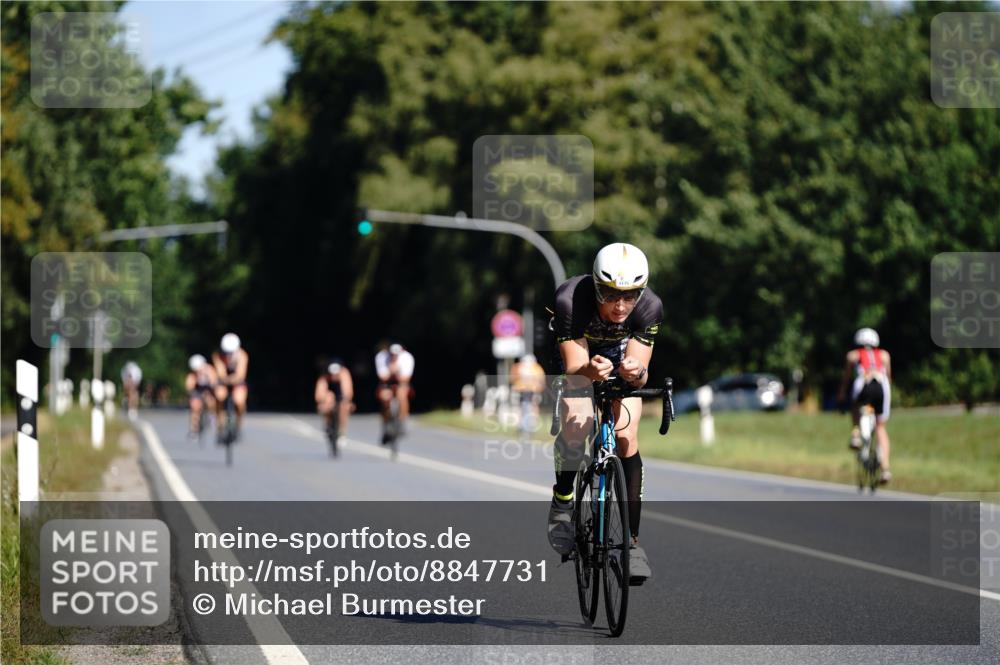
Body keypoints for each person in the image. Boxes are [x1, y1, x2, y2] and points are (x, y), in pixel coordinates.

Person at [547, 242, 663, 585]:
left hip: (617, 358)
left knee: (626, 436)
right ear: (596, 286)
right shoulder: (570, 299)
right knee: (577, 422)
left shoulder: (650, 307)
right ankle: (563, 500)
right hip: (579, 358)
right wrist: (590, 372)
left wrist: (633, 373)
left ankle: (631, 544)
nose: (621, 305)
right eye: (611, 294)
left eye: (630, 296)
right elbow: (573, 368)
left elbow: (642, 373)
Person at [838, 327, 893, 483]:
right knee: (881, 427)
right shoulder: (884, 355)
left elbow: (847, 379)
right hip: (882, 387)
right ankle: (885, 469)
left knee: (856, 406)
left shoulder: (853, 356)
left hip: (864, 385)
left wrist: (842, 393)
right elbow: (888, 378)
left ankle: (855, 434)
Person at [212, 333, 249, 443]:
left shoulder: (242, 355)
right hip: (223, 381)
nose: (227, 355)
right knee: (219, 396)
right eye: (225, 352)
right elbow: (220, 373)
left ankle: (238, 426)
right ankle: (220, 425)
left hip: (237, 382)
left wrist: (232, 379)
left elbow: (241, 375)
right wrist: (225, 380)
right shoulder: (217, 355)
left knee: (239, 401)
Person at [375, 343, 415, 440]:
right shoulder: (381, 357)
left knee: (402, 395)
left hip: (401, 382)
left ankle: (402, 421)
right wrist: (390, 370)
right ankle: (386, 423)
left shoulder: (407, 358)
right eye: (392, 354)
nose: (394, 356)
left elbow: (406, 378)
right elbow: (382, 377)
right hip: (387, 383)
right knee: (385, 397)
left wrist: (396, 372)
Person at [315, 360, 355, 447]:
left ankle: (342, 432)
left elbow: (348, 391)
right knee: (325, 405)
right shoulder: (324, 377)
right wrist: (324, 401)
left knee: (344, 407)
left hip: (340, 395)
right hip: (329, 396)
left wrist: (346, 401)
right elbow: (319, 393)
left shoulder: (344, 374)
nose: (333, 376)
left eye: (336, 374)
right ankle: (328, 424)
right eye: (332, 374)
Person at [510, 353, 545, 436]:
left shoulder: (535, 368)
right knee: (525, 408)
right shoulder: (520, 367)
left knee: (530, 407)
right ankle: (525, 425)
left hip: (531, 391)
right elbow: (512, 378)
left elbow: (541, 380)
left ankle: (530, 424)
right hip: (523, 391)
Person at [185, 354, 217, 440]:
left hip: (208, 391)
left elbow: (214, 382)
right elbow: (189, 387)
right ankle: (194, 429)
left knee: (210, 401)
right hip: (197, 392)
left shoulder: (209, 370)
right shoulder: (192, 374)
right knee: (194, 406)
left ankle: (211, 416)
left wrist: (208, 378)